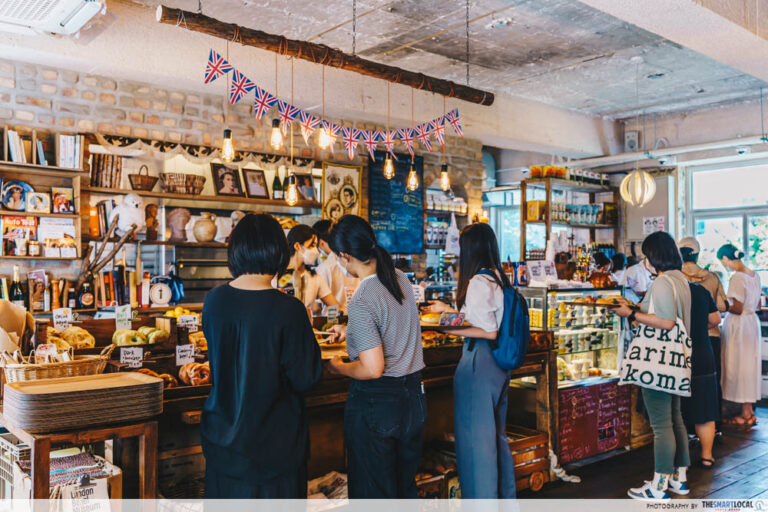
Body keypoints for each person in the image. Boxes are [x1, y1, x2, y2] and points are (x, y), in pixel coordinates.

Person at [201, 214, 323, 498]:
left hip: (223, 443)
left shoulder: (214, 301)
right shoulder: (289, 309)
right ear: (278, 251)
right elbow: (306, 378)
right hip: (275, 448)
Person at [325, 215, 425, 498]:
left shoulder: (362, 298)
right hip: (413, 399)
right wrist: (351, 330)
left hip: (379, 402)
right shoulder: (399, 278)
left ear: (344, 256)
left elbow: (372, 368)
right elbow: (393, 322)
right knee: (404, 489)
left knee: (374, 494)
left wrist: (338, 367)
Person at [423, 223, 516, 498]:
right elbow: (483, 317)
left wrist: (442, 326)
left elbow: (486, 330)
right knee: (495, 439)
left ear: (469, 250)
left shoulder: (477, 281)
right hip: (498, 365)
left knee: (476, 445)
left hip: (479, 360)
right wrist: (449, 311)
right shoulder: (498, 276)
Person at [615, 232, 691, 500]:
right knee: (675, 419)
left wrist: (632, 314)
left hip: (657, 362)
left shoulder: (661, 283)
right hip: (677, 360)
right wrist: (636, 309)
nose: (645, 261)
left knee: (661, 424)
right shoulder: (680, 280)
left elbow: (666, 322)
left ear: (654, 256)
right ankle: (678, 479)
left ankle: (658, 487)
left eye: (647, 255)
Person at [678, 237, 727, 435]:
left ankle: (688, 427)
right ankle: (714, 426)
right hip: (711, 337)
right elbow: (722, 306)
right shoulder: (712, 277)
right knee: (711, 383)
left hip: (683, 337)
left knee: (685, 382)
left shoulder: (675, 278)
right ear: (697, 254)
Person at [718, 244, 762, 427]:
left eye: (723, 262)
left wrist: (721, 305)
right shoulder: (754, 274)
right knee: (749, 365)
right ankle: (748, 410)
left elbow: (737, 307)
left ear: (727, 259)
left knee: (737, 366)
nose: (724, 265)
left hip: (739, 325)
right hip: (752, 323)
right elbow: (757, 305)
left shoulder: (736, 277)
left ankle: (744, 414)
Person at [683, 280, 722, 469]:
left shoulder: (665, 287)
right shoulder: (699, 289)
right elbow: (715, 319)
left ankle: (681, 461)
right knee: (705, 409)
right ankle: (707, 456)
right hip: (703, 352)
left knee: (678, 410)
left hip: (677, 353)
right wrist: (699, 328)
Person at [284, 225, 339, 315]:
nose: (316, 251)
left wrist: (331, 323)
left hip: (306, 326)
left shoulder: (314, 277)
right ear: (297, 246)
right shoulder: (278, 276)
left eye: (316, 246)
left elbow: (333, 305)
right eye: (311, 245)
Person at [313, 219, 359, 313]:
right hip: (357, 317)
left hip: (331, 322)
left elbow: (317, 306)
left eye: (313, 244)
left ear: (321, 243)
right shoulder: (357, 262)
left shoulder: (323, 268)